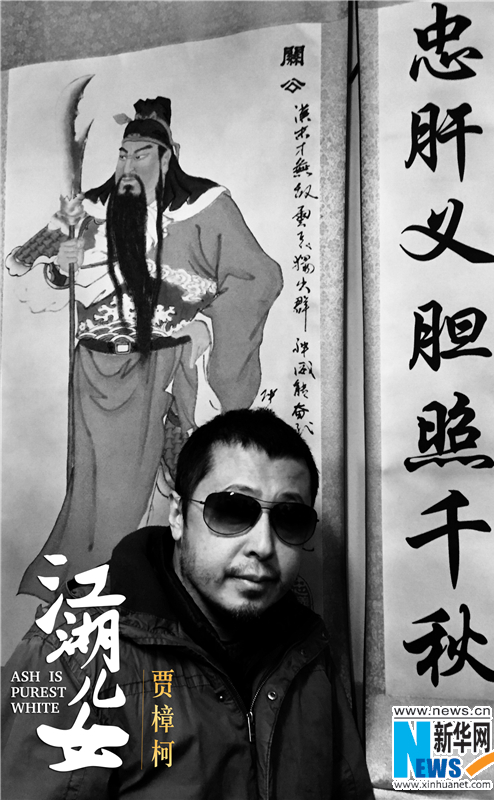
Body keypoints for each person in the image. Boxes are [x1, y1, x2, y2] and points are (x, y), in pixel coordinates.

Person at [2, 409, 374, 800]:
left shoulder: (308, 647)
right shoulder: (75, 653)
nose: (263, 546)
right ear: (178, 515)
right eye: (232, 510)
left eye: (289, 518)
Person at [6, 96, 283, 599]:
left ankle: (155, 586)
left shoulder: (205, 208)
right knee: (93, 488)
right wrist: (59, 268)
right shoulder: (89, 211)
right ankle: (89, 589)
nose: (128, 166)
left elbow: (258, 275)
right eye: (122, 155)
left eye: (141, 154)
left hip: (166, 365)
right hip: (95, 368)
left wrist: (206, 324)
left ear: (167, 156)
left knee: (171, 483)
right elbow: (26, 265)